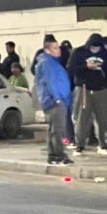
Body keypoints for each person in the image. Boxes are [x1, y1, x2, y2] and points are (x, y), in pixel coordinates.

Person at [67, 33, 107, 155]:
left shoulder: (106, 55)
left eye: (98, 48)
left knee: (103, 119)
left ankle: (103, 144)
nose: (96, 50)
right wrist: (86, 67)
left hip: (102, 90)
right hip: (83, 89)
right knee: (81, 118)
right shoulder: (79, 52)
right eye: (93, 48)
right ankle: (79, 145)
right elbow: (70, 69)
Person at [34, 37, 74, 166]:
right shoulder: (47, 63)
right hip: (55, 101)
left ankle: (53, 155)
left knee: (54, 130)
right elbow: (50, 81)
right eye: (55, 48)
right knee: (58, 130)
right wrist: (57, 98)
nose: (59, 51)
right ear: (48, 50)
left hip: (57, 100)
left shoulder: (51, 62)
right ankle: (59, 155)